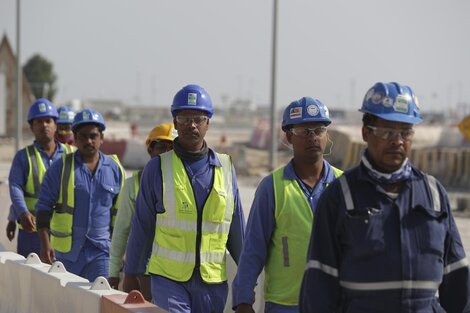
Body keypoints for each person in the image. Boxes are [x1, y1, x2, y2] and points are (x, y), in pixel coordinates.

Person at [300, 82, 470, 313]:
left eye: (405, 132)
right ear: (366, 133)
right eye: (388, 132)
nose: (397, 141)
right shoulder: (339, 197)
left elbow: (457, 279)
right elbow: (319, 287)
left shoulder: (434, 194)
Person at [124, 84, 246, 313]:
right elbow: (142, 227)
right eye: (184, 117)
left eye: (198, 118)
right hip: (168, 280)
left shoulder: (226, 169)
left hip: (212, 284)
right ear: (175, 121)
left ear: (208, 122)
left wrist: (248, 281)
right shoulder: (157, 168)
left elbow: (237, 232)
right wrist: (131, 273)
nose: (191, 124)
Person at [232, 97, 343, 313]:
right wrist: (243, 300)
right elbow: (253, 248)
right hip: (284, 305)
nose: (313, 137)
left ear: (326, 135)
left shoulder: (343, 186)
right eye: (304, 131)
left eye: (319, 130)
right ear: (289, 137)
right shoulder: (272, 187)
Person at [36, 108, 125, 282]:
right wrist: (45, 244)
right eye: (83, 136)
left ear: (102, 138)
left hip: (101, 253)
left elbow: (120, 217)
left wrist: (120, 253)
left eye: (93, 136)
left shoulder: (115, 170)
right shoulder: (60, 168)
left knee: (99, 302)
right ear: (75, 138)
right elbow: (43, 208)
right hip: (67, 255)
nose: (88, 141)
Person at [108, 123, 177, 299]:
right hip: (141, 272)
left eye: (172, 149)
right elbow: (121, 230)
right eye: (161, 147)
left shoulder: (183, 186)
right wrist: (114, 271)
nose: (166, 154)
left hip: (175, 274)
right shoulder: (133, 185)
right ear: (150, 150)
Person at [6, 98, 74, 257]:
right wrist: (20, 213)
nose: (44, 125)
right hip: (31, 231)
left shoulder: (72, 154)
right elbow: (15, 188)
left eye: (48, 120)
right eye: (39, 121)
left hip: (63, 233)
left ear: (55, 124)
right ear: (31, 127)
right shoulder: (23, 157)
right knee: (29, 279)